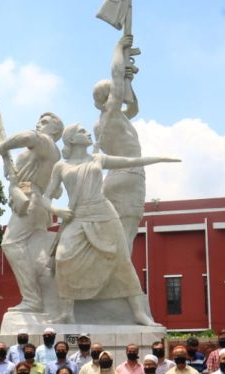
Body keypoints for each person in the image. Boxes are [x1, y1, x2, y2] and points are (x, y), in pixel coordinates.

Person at [44, 123, 177, 326]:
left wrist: (158, 159)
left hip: (104, 214)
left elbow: (128, 161)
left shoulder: (97, 158)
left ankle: (139, 313)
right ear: (71, 139)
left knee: (122, 261)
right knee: (63, 258)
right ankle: (67, 313)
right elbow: (46, 197)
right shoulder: (61, 166)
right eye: (81, 131)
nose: (87, 132)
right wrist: (56, 210)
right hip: (77, 217)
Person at [0, 111, 64, 312]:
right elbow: (57, 190)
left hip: (30, 200)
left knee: (11, 243)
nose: (38, 124)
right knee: (36, 252)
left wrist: (5, 145)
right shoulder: (50, 155)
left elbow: (29, 137)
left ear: (56, 130)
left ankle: (32, 299)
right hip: (35, 200)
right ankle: (48, 296)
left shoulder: (46, 143)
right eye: (39, 121)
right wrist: (8, 162)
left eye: (44, 122)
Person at [93, 34, 144, 253]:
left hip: (115, 179)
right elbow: (115, 76)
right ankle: (122, 282)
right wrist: (118, 49)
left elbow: (133, 110)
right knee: (125, 239)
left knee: (117, 238)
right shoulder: (111, 114)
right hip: (130, 176)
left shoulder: (106, 122)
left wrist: (128, 83)